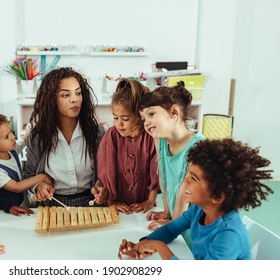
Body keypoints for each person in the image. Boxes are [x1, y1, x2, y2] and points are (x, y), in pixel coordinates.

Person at [118, 138, 273, 260]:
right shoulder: (199, 210)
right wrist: (141, 245)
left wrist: (159, 247)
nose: (185, 181)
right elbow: (171, 229)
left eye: (193, 179)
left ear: (217, 196)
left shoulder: (229, 235)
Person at [25, 67, 106, 207]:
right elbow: (30, 175)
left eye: (78, 93)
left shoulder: (97, 133)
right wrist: (39, 186)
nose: (75, 100)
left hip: (92, 203)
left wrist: (101, 185)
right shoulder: (37, 137)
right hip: (52, 204)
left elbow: (106, 172)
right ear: (51, 99)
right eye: (65, 95)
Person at [139, 81, 205, 230]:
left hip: (194, 224)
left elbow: (185, 188)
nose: (146, 123)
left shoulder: (198, 146)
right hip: (177, 218)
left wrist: (175, 224)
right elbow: (164, 176)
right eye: (143, 119)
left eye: (151, 114)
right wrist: (167, 212)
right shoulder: (160, 141)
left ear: (174, 113)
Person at [96, 78, 159, 214]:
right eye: (115, 117)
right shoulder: (111, 135)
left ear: (140, 115)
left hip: (144, 208)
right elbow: (106, 171)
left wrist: (150, 201)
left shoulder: (151, 137)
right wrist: (111, 201)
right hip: (117, 208)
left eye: (125, 119)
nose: (119, 124)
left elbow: (156, 172)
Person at [0, 112, 52, 216]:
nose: (13, 137)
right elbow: (16, 187)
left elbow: (23, 140)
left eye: (11, 132)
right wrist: (42, 177)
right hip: (7, 211)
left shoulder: (10, 150)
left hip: (23, 205)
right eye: (6, 137)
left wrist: (33, 126)